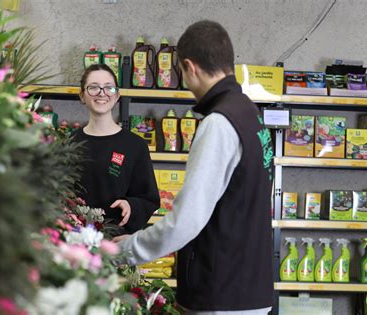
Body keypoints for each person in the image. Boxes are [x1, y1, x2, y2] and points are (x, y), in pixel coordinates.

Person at [115, 20, 274, 314]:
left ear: (190, 66)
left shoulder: (219, 123)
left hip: (221, 293)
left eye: (181, 73)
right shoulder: (249, 113)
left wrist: (122, 251)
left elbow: (186, 222)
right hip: (249, 288)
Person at [72, 64, 159, 234]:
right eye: (93, 87)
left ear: (117, 95)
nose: (102, 93)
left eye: (108, 88)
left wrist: (131, 205)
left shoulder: (135, 145)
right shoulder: (69, 143)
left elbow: (149, 199)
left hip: (116, 243)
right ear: (82, 96)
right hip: (74, 242)